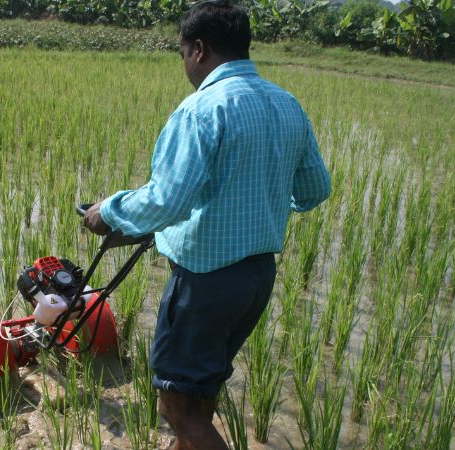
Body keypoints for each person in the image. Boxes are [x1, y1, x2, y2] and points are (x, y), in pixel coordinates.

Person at [82, 1, 331, 448]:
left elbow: (166, 200)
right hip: (256, 278)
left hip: (205, 285)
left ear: (198, 49)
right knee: (199, 403)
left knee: (177, 411)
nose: (185, 66)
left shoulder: (202, 109)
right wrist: (259, 201)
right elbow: (314, 190)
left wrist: (109, 212)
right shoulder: (287, 104)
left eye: (181, 55)